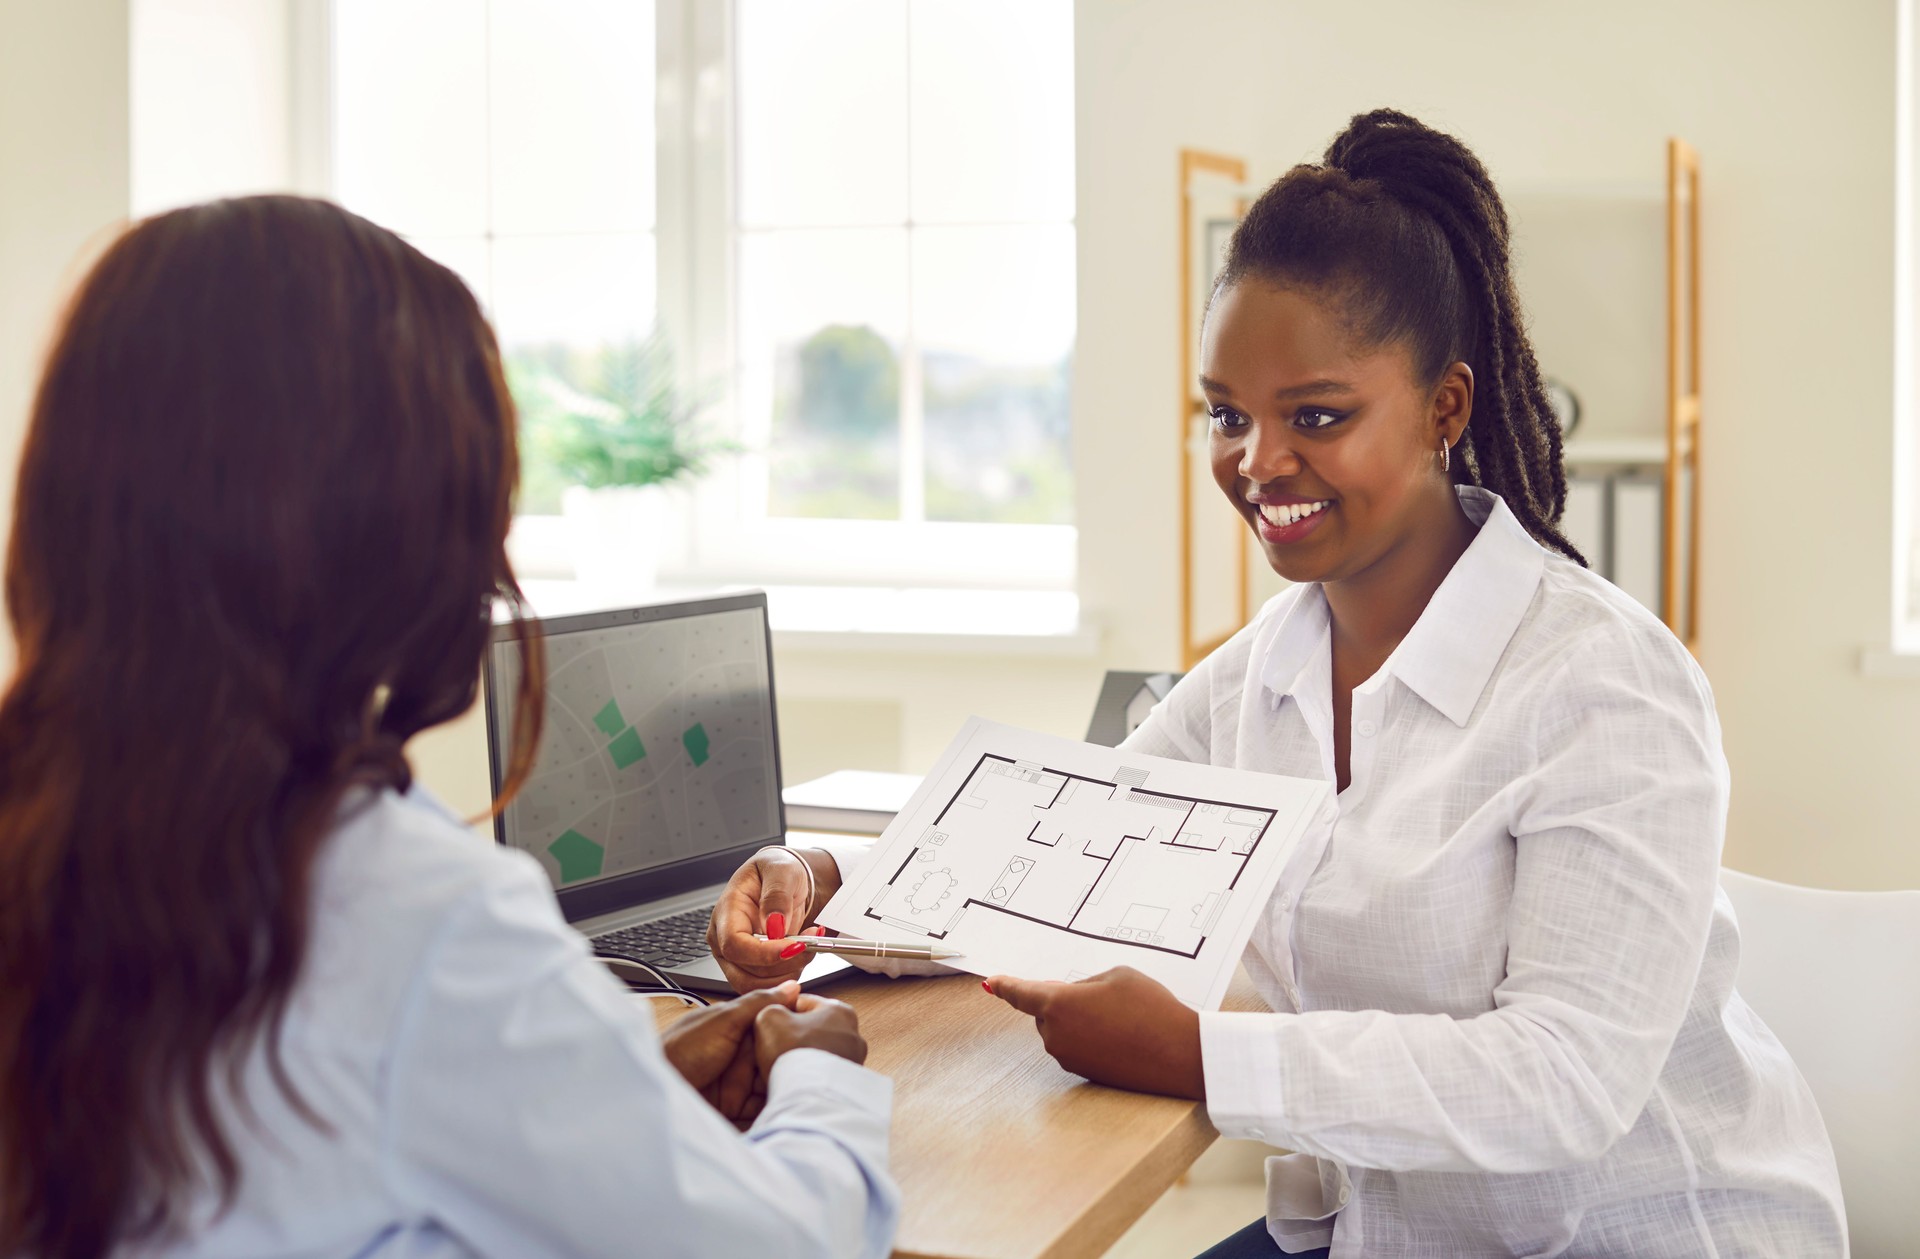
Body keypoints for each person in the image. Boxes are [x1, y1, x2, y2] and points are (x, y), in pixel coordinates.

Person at [708, 111, 1847, 1256]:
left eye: (1317, 415)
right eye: (1227, 414)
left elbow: (1563, 1078)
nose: (1257, 462)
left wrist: (1204, 1057)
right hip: (1389, 1228)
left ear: (1447, 407)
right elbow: (1050, 858)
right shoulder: (1270, 665)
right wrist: (827, 878)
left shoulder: (1605, 686)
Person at [0, 196, 898, 1259]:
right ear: (414, 527)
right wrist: (827, 1084)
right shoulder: (419, 914)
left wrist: (616, 1098)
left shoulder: (53, 828)